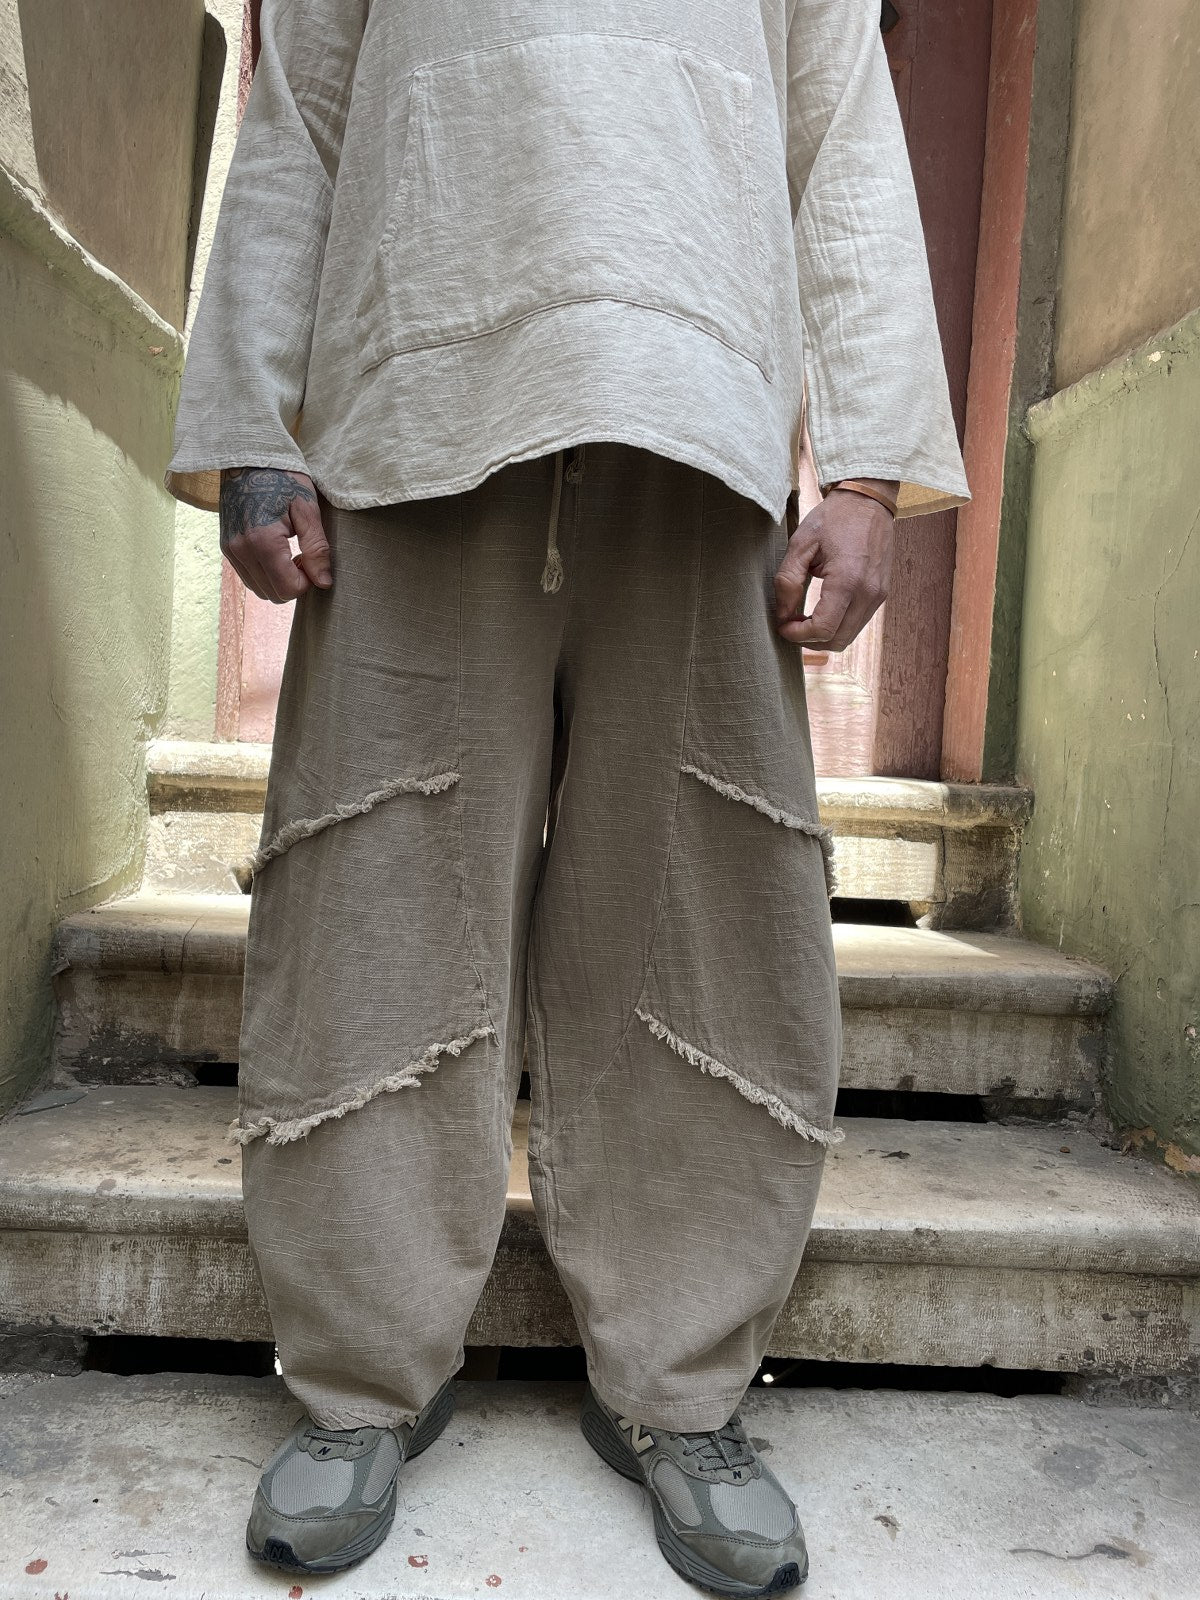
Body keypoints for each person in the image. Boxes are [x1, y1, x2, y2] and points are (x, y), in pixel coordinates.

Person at [166, 0, 968, 1591]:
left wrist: (871, 467)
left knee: (704, 919)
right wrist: (252, 422)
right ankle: (358, 1381)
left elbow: (843, 138)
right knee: (376, 906)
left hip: (697, 416)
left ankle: (684, 1387)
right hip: (413, 410)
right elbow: (300, 116)